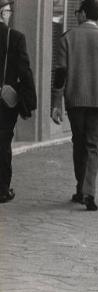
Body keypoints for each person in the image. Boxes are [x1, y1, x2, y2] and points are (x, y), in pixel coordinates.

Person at [51, 0, 98, 211]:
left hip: (75, 101)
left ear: (84, 14)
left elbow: (60, 73)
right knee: (94, 147)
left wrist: (56, 102)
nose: (76, 15)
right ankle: (89, 192)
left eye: (77, 12)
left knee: (79, 144)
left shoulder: (67, 37)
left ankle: (80, 188)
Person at [0, 0, 36, 204]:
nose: (10, 14)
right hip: (5, 100)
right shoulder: (15, 37)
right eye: (8, 11)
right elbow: (24, 69)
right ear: (3, 13)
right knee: (3, 142)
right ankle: (2, 189)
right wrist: (30, 100)